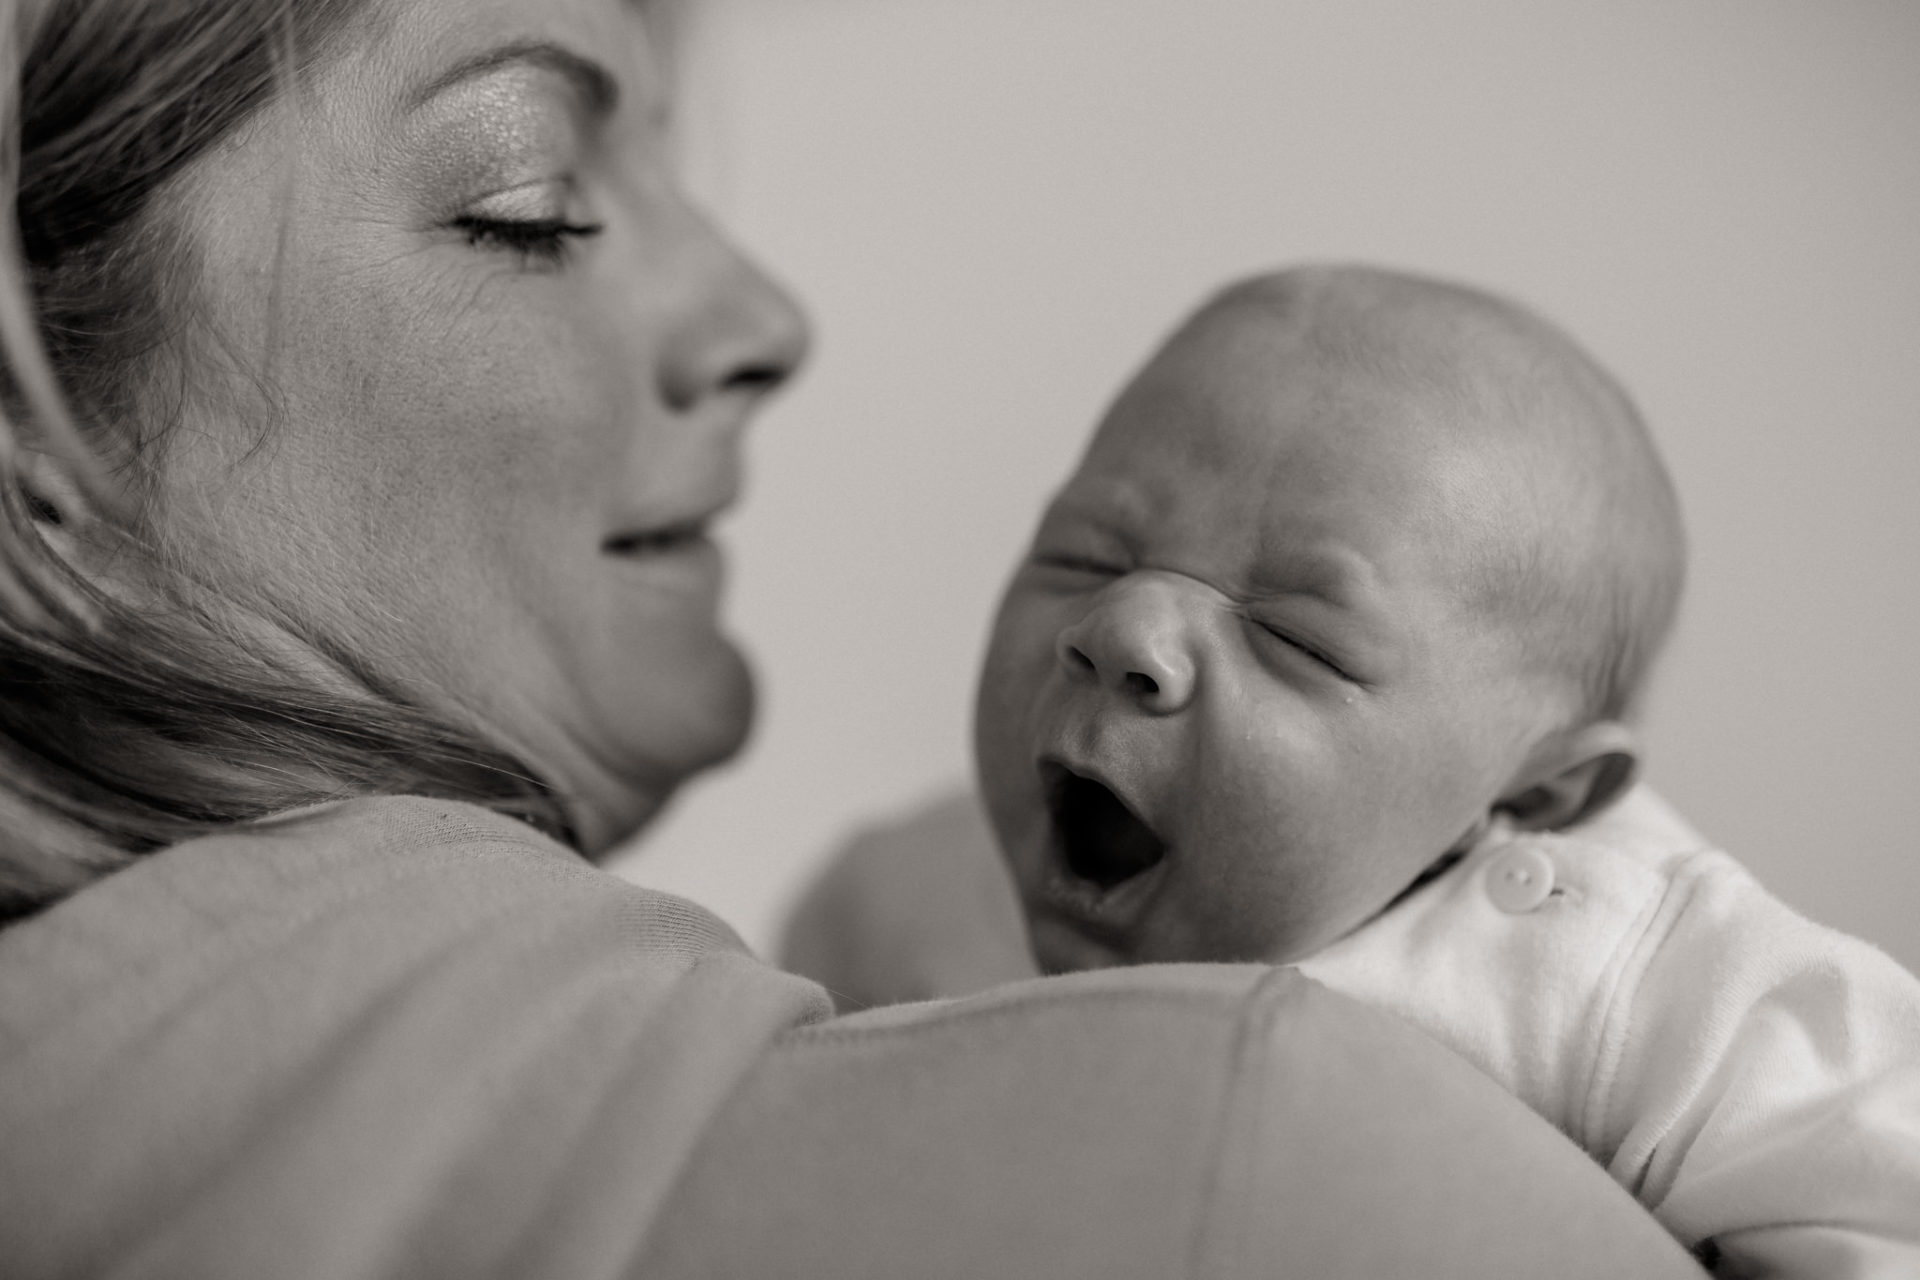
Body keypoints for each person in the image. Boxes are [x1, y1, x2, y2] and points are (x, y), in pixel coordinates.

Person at [0, 1, 1712, 1276]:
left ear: (1551, 795)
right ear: (30, 431)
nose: (765, 314)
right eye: (530, 204)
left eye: (1307, 637)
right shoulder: (1252, 1161)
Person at [788, 265, 1920, 1275]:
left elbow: (1884, 1193)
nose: (1122, 626)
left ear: (1530, 797)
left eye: (1298, 639)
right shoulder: (908, 895)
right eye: (1086, 554)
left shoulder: (1628, 972)